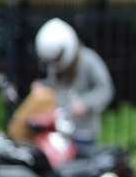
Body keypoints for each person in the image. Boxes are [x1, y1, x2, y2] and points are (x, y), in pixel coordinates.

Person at [33, 17, 115, 147]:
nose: (54, 64)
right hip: (58, 130)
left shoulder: (89, 60)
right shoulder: (54, 64)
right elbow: (54, 85)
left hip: (83, 134)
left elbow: (105, 89)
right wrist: (42, 85)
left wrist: (85, 103)